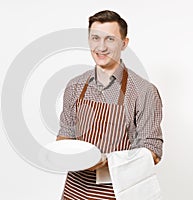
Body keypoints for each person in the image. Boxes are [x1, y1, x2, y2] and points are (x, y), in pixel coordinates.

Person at [56, 10, 163, 199]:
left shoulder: (144, 91)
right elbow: (64, 137)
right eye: (95, 38)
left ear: (124, 43)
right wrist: (67, 153)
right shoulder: (75, 86)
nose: (101, 47)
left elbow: (152, 153)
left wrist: (105, 161)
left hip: (116, 194)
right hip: (73, 193)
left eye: (110, 39)